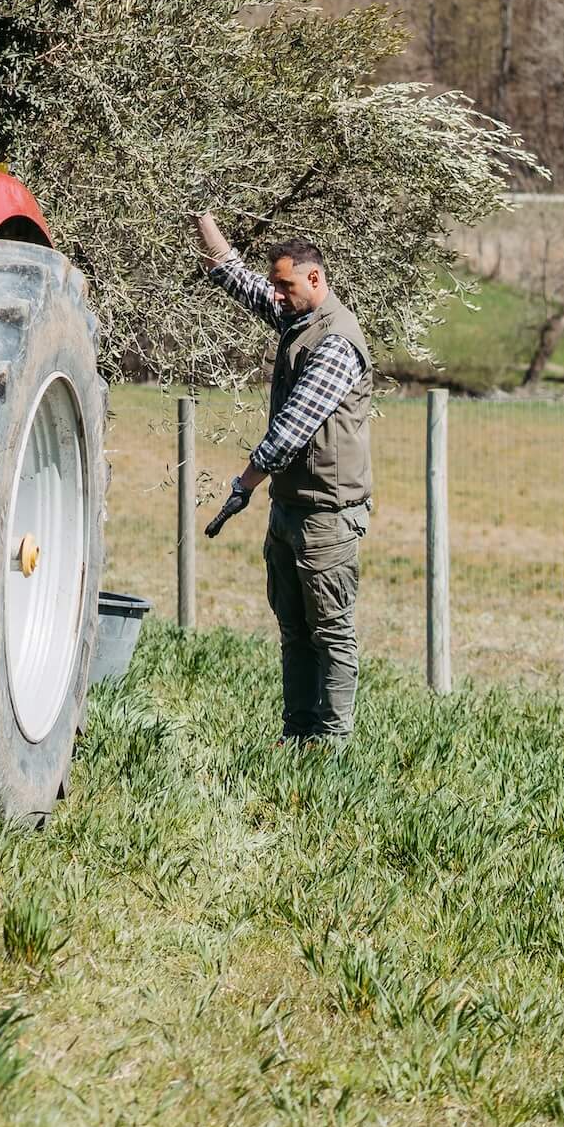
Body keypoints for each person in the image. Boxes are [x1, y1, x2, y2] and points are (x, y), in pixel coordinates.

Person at [191, 213, 373, 742]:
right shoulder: (299, 319)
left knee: (331, 634)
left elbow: (292, 428)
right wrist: (202, 216)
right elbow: (237, 278)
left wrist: (244, 484)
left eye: (286, 285)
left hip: (326, 519)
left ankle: (331, 747)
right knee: (294, 632)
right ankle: (296, 737)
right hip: (292, 510)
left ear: (315, 279)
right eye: (275, 284)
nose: (276, 294)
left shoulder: (335, 342)